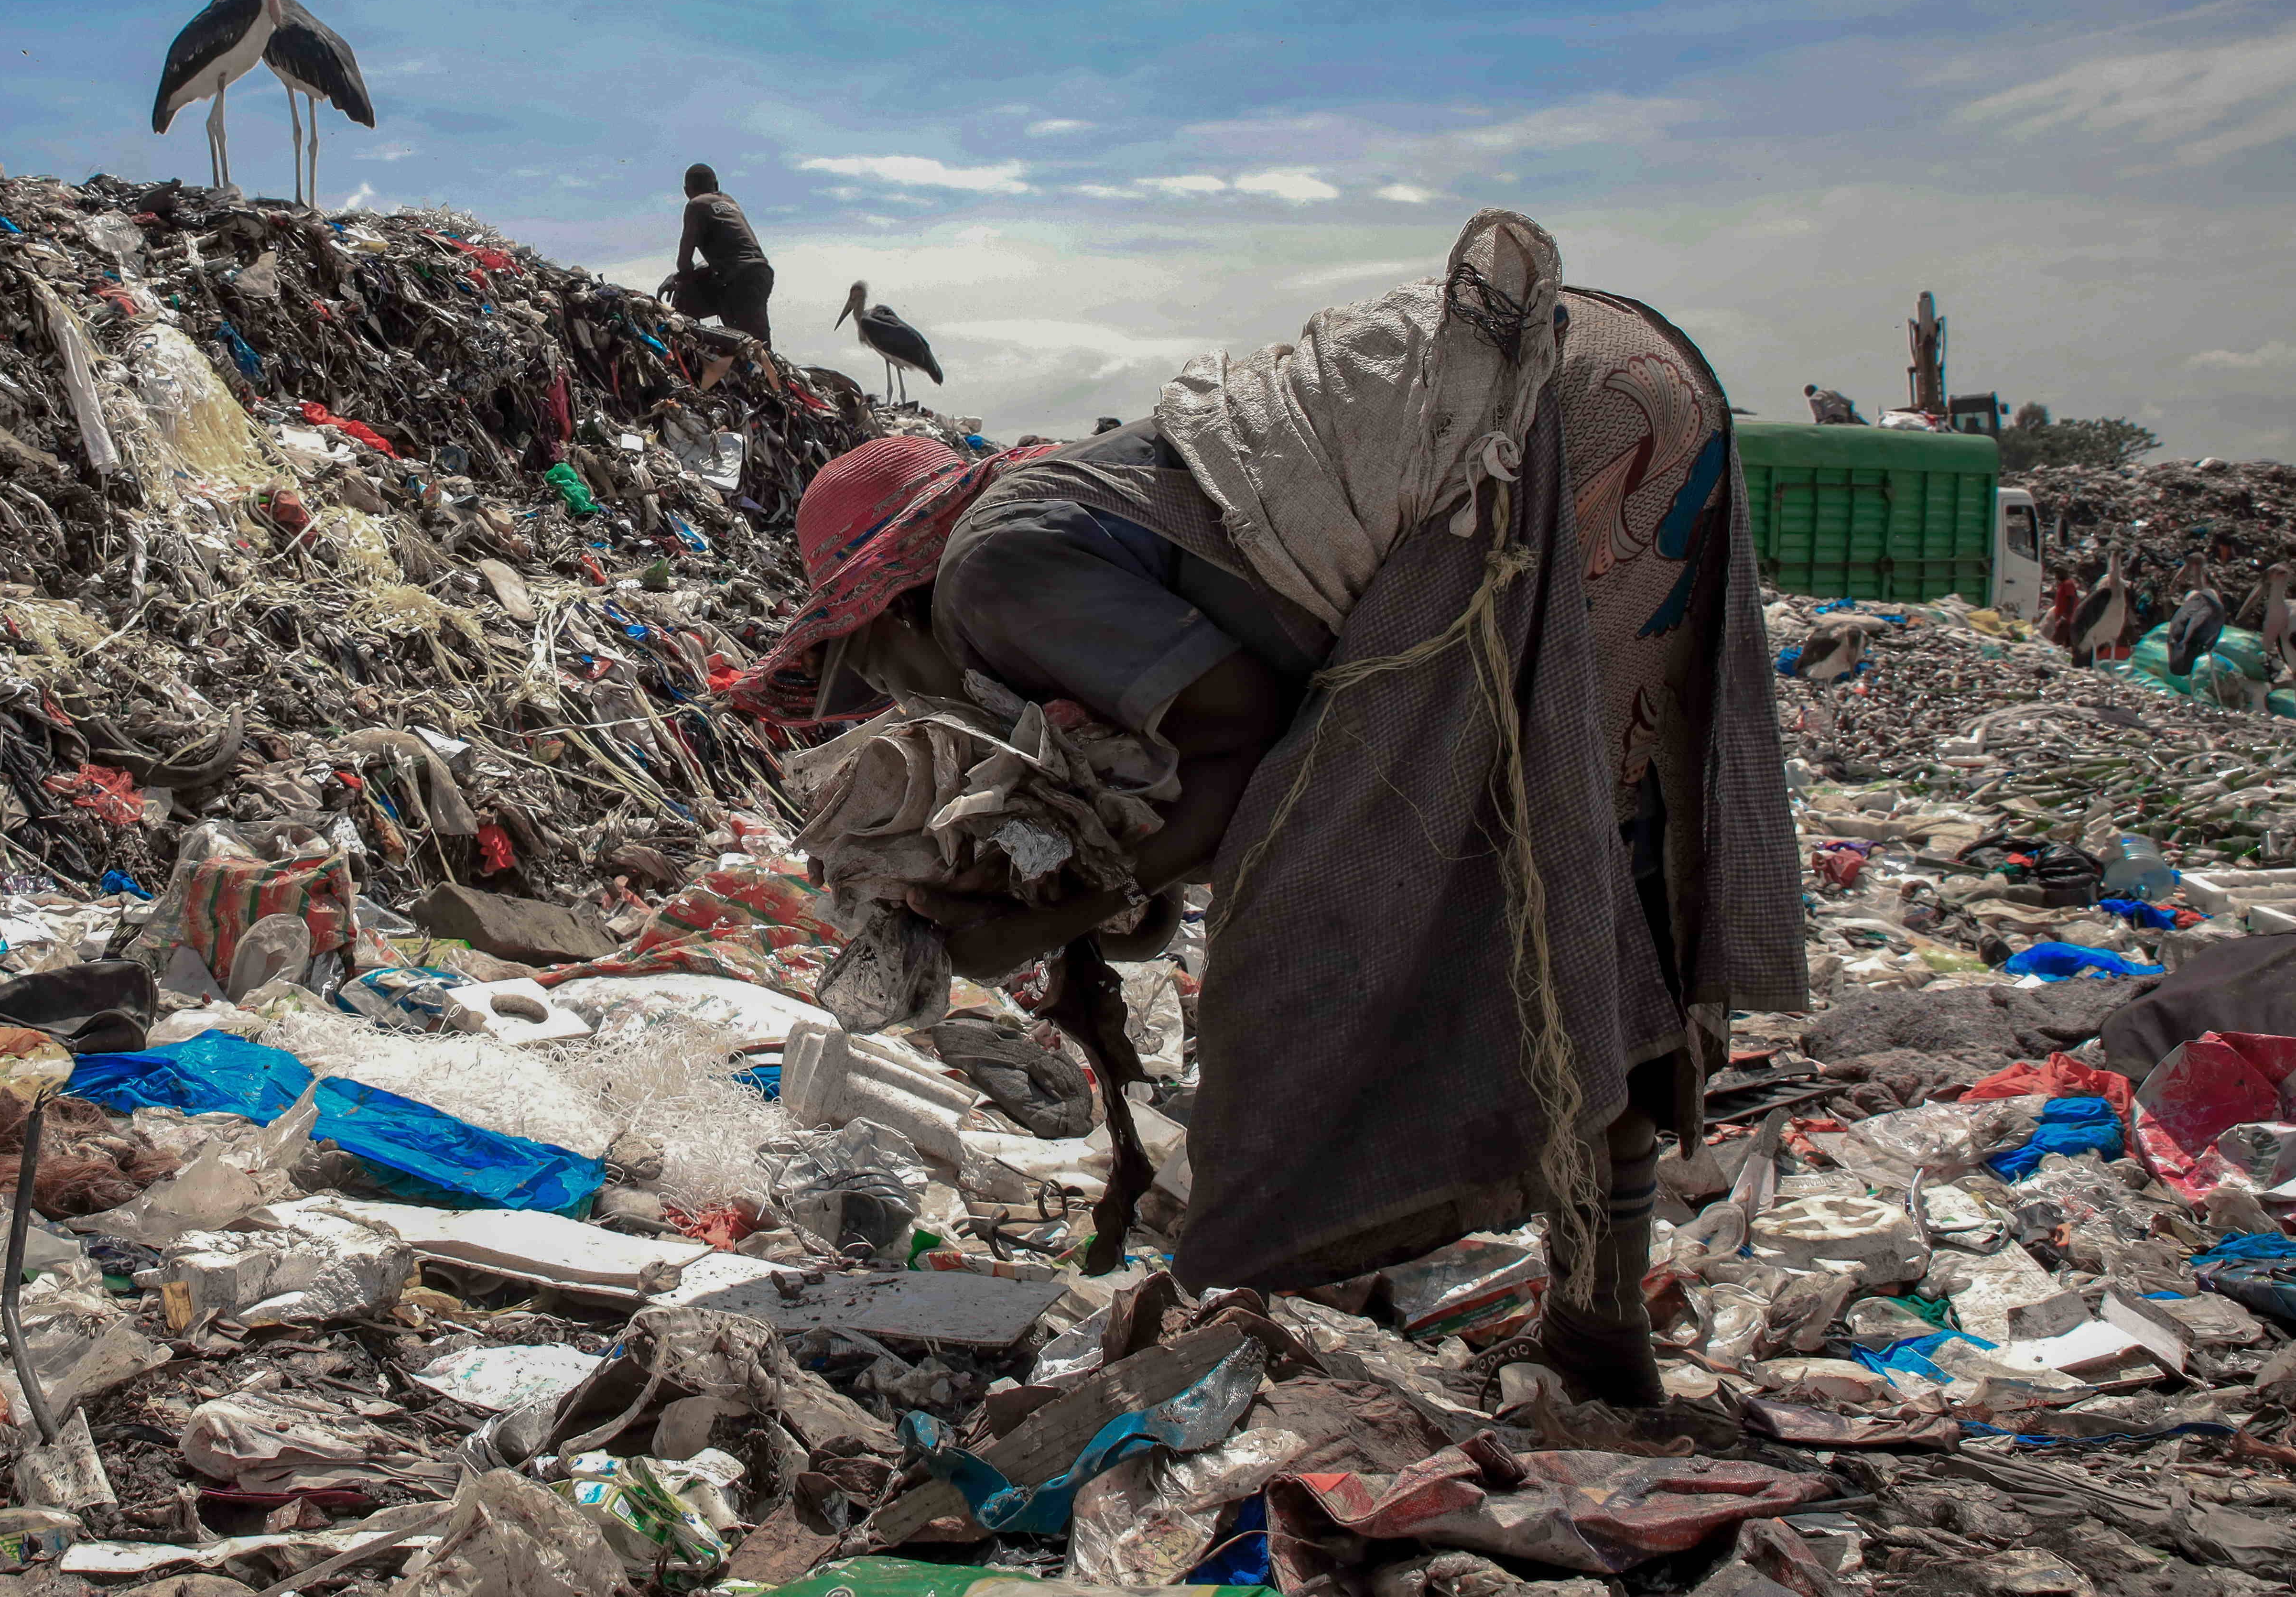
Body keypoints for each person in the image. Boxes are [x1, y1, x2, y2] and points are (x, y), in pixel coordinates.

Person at [742, 213, 1802, 1409]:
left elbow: (1244, 744)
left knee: (1340, 927)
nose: (891, 695)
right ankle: (1599, 1324)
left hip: (1533, 419)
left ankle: (1372, 1282)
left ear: (894, 606)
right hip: (1615, 373)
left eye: (869, 666)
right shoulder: (1072, 515)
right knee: (1573, 877)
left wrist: (1033, 920)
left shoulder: (994, 572)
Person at [670, 163, 773, 344]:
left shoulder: (695, 206)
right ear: (716, 185)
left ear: (686, 191)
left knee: (754, 348)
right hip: (759, 274)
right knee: (749, 342)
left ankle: (690, 349)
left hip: (739, 280)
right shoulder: (729, 201)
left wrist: (678, 279)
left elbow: (684, 263)